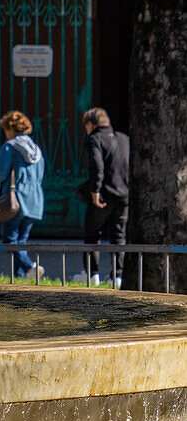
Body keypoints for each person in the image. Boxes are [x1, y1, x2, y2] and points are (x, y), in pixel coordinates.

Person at [72, 107, 129, 288]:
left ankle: (92, 274)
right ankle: (117, 276)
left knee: (92, 234)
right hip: (123, 195)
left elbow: (97, 166)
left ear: (90, 124)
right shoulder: (124, 139)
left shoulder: (94, 139)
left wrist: (95, 190)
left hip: (103, 196)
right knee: (119, 236)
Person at [0, 110, 45, 280]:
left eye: (5, 129)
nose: (5, 134)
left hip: (15, 200)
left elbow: (0, 175)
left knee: (9, 240)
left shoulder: (9, 147)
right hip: (34, 200)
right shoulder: (37, 150)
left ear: (11, 129)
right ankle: (19, 277)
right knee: (22, 240)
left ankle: (29, 267)